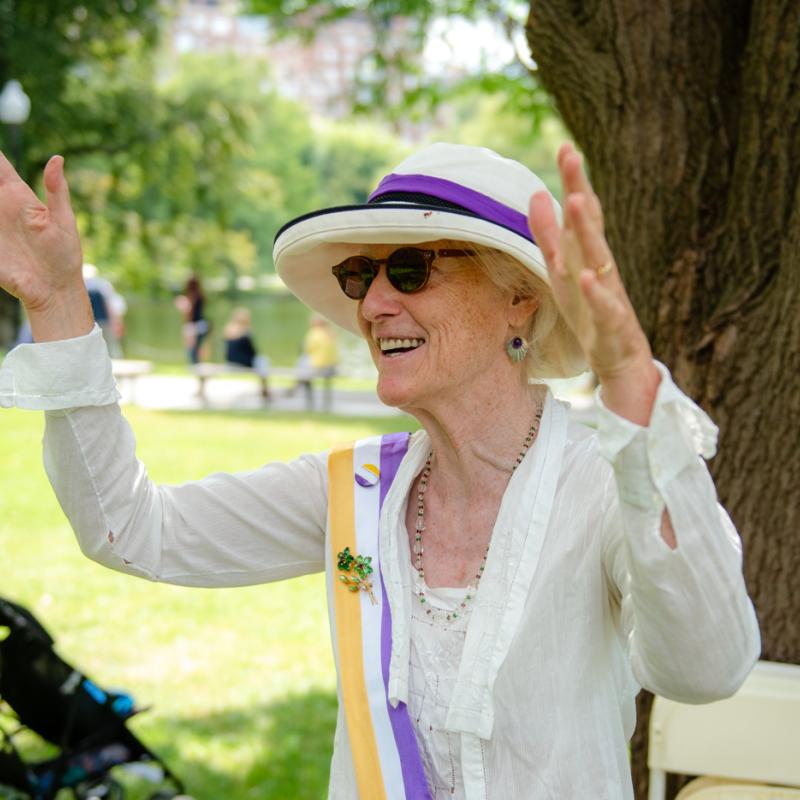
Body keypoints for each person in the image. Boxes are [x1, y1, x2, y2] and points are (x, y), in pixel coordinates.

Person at [0, 143, 760, 799]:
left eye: (409, 269)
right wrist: (60, 303)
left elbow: (706, 667)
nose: (373, 305)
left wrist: (631, 383)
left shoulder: (605, 479)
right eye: (364, 276)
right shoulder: (355, 488)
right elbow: (129, 529)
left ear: (519, 299)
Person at [291, 315, 339, 410]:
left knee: (303, 362)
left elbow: (306, 348)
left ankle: (303, 393)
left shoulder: (315, 333)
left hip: (318, 366)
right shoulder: (330, 333)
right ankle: (296, 384)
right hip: (331, 367)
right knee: (304, 364)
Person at [223, 306, 271, 400]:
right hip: (243, 362)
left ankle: (264, 390)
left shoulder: (228, 330)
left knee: (261, 360)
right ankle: (264, 389)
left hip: (230, 361)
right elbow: (253, 351)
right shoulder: (246, 333)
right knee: (263, 360)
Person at [83, 262, 126, 358]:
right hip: (101, 323)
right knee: (109, 348)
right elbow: (112, 306)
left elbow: (111, 306)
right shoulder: (103, 285)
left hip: (95, 323)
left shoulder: (87, 287)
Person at [175, 275, 209, 364]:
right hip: (202, 325)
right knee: (197, 349)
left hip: (194, 326)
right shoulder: (201, 296)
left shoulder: (191, 297)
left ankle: (194, 368)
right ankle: (197, 367)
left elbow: (191, 315)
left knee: (192, 351)